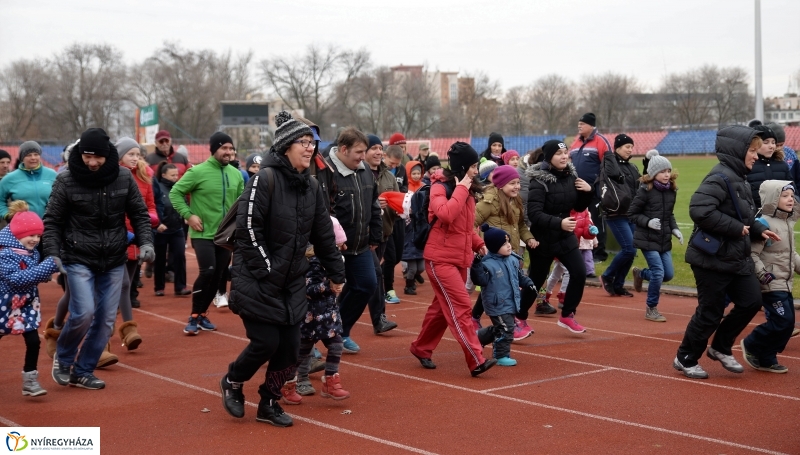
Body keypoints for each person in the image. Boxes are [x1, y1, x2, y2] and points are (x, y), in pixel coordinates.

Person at [219, 111, 346, 427]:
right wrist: (268, 269)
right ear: (286, 146)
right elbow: (249, 230)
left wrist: (336, 273)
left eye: (312, 143)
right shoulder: (265, 179)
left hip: (291, 280)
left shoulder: (312, 186)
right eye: (303, 142)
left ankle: (268, 403)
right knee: (266, 342)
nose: (309, 149)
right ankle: (233, 382)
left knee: (291, 349)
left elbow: (323, 234)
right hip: (256, 277)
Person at [44, 127, 154, 390]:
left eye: (98, 158)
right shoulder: (66, 180)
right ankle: (64, 357)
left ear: (108, 156)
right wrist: (52, 254)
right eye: (86, 157)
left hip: (113, 257)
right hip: (77, 256)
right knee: (83, 312)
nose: (92, 163)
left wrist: (146, 241)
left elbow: (139, 213)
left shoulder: (124, 178)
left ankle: (83, 370)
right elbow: (52, 221)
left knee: (105, 320)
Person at [674, 125, 780, 379]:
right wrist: (737, 228)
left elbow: (740, 213)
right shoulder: (719, 177)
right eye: (752, 151)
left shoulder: (738, 176)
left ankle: (721, 347)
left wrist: (756, 229)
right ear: (738, 150)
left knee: (751, 301)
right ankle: (685, 357)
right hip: (711, 259)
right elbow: (700, 210)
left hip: (735, 256)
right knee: (710, 313)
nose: (756, 155)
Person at [409, 141, 497, 377]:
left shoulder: (467, 190)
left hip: (460, 259)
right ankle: (476, 359)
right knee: (460, 308)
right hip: (440, 260)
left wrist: (478, 244)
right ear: (462, 167)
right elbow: (446, 215)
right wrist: (461, 189)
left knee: (441, 310)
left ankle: (421, 347)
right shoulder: (441, 187)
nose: (476, 171)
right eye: (473, 166)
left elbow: (465, 228)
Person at [169, 132, 244, 335]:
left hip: (226, 235)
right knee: (208, 271)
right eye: (224, 148)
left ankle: (202, 314)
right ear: (214, 150)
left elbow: (242, 202)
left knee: (218, 274)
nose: (228, 152)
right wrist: (188, 215)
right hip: (202, 233)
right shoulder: (197, 172)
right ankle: (193, 316)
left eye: (231, 148)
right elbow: (175, 193)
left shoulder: (236, 174)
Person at [525, 140, 594, 334]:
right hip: (542, 239)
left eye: (566, 153)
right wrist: (559, 222)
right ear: (548, 158)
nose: (564, 156)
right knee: (536, 281)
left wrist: (588, 192)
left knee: (579, 273)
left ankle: (567, 315)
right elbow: (534, 214)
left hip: (565, 237)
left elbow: (579, 207)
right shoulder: (538, 181)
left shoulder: (571, 176)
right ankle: (519, 317)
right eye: (558, 153)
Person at [325, 127, 383, 353]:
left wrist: (375, 235)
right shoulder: (326, 172)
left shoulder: (366, 170)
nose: (362, 156)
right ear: (343, 149)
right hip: (333, 247)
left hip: (360, 244)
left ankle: (341, 331)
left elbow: (373, 205)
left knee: (367, 285)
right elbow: (322, 211)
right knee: (322, 295)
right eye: (358, 152)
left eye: (364, 151)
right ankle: (308, 346)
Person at [281, 229, 351, 405]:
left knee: (336, 345)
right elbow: (307, 289)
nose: (343, 247)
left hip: (329, 314)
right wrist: (329, 286)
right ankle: (287, 382)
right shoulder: (310, 263)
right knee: (301, 353)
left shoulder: (333, 262)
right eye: (339, 244)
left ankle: (331, 382)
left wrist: (338, 284)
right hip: (310, 316)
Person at [472, 165, 539, 338]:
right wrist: (479, 243)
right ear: (501, 185)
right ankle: (507, 322)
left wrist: (529, 238)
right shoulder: (489, 202)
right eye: (512, 183)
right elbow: (470, 222)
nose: (517, 186)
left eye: (518, 182)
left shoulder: (515, 201)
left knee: (501, 288)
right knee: (499, 289)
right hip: (493, 255)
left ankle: (478, 317)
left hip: (511, 253)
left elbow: (521, 225)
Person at [0, 205, 59, 397]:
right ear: (17, 234)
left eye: (38, 235)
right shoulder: (4, 254)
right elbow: (17, 278)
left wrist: (48, 270)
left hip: (25, 305)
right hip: (4, 305)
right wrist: (48, 266)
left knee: (33, 341)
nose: (35, 240)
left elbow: (35, 276)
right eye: (30, 235)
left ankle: (30, 380)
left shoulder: (32, 252)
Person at [740, 180, 798, 373]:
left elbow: (790, 254)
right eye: (785, 196)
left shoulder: (787, 222)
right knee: (782, 321)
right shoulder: (763, 223)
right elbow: (752, 253)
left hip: (785, 282)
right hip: (771, 282)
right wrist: (763, 274)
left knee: (787, 324)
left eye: (792, 195)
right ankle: (751, 344)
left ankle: (767, 357)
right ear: (773, 199)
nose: (791, 199)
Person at [629, 150, 681, 322]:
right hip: (647, 238)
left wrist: (675, 229)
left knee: (668, 275)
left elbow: (670, 215)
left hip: (664, 239)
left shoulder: (672, 190)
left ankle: (641, 274)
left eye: (668, 171)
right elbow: (632, 214)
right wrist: (648, 222)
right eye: (661, 172)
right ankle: (651, 308)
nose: (666, 175)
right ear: (652, 174)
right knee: (658, 273)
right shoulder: (644, 190)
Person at [472, 224, 535, 367]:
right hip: (497, 303)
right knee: (506, 328)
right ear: (494, 247)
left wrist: (528, 283)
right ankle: (501, 355)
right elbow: (479, 280)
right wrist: (476, 265)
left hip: (511, 301)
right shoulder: (487, 264)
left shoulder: (512, 259)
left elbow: (519, 276)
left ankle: (478, 337)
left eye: (508, 242)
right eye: (504, 243)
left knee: (503, 328)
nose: (508, 246)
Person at [362, 134, 398, 334]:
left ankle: (338, 316)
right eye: (373, 148)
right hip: (363, 236)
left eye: (379, 148)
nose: (377, 152)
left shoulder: (388, 176)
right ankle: (379, 319)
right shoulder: (358, 173)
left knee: (361, 281)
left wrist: (395, 204)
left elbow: (399, 202)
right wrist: (375, 204)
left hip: (383, 232)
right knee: (374, 275)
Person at [598, 134, 641, 297]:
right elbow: (611, 174)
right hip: (615, 213)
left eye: (631, 147)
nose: (630, 150)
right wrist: (611, 156)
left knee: (632, 250)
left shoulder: (632, 167)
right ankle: (607, 276)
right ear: (617, 148)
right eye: (626, 147)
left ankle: (619, 284)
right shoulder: (610, 164)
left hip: (630, 213)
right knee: (629, 249)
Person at [569, 113, 613, 262]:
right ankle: (582, 252)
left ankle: (599, 253)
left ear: (591, 125)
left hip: (595, 191)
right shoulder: (576, 142)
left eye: (582, 124)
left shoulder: (601, 141)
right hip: (577, 191)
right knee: (579, 221)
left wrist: (599, 185)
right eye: (578, 123)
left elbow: (608, 166)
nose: (579, 126)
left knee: (596, 220)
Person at [152, 162, 190, 297]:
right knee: (160, 258)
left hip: (177, 228)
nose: (176, 177)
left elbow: (184, 203)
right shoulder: (157, 188)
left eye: (177, 175)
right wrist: (158, 223)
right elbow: (152, 205)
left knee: (180, 256)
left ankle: (180, 287)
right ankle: (159, 287)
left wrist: (186, 216)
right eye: (172, 175)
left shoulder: (179, 188)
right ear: (163, 175)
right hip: (161, 229)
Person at [0, 142, 58, 229]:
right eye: (29, 155)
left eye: (36, 154)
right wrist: (7, 215)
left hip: (50, 226)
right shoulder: (9, 179)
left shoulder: (52, 175)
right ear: (22, 158)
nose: (33, 158)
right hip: (23, 228)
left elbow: (62, 198)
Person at [382, 145, 408, 304]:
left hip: (398, 218)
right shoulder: (379, 171)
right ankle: (388, 290)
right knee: (390, 257)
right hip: (384, 219)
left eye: (397, 164)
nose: (394, 166)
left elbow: (404, 188)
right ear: (385, 156)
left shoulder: (401, 170)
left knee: (397, 256)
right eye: (392, 163)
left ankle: (380, 273)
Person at [746, 125, 791, 208]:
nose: (771, 146)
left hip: (779, 216)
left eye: (773, 142)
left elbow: (792, 190)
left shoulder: (782, 165)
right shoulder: (748, 165)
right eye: (766, 142)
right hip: (755, 216)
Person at [402, 160, 426, 295]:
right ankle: (409, 285)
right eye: (414, 173)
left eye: (419, 173)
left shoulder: (423, 186)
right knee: (412, 267)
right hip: (410, 226)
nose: (416, 176)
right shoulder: (406, 188)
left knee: (421, 267)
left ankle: (416, 274)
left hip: (421, 227)